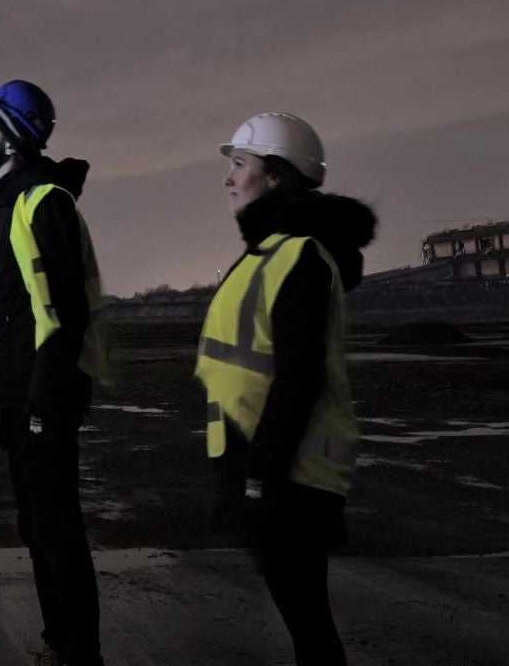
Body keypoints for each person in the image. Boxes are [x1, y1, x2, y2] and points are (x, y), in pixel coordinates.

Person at [195, 112, 376, 666]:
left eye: (239, 165)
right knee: (302, 614)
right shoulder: (267, 255)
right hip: (267, 467)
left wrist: (259, 475)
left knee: (307, 620)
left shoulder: (297, 257)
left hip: (288, 476)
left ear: (275, 176)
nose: (228, 179)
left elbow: (299, 376)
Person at [0, 79, 110, 666]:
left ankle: (80, 652)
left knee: (57, 530)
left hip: (42, 401)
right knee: (37, 528)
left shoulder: (42, 202)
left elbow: (67, 314)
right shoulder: (8, 206)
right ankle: (60, 641)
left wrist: (43, 406)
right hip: (18, 399)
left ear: (14, 139)